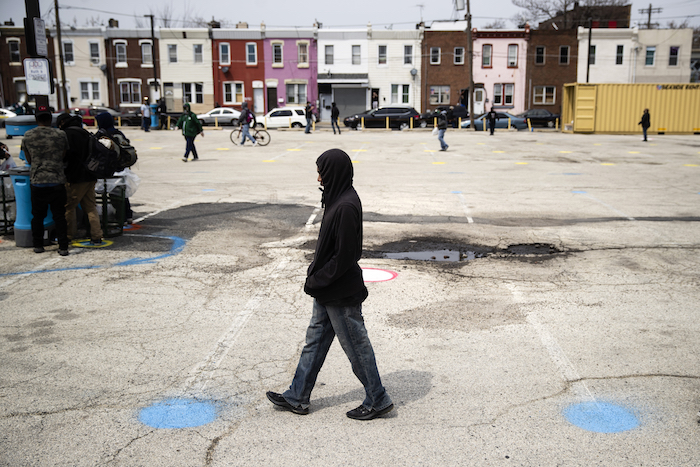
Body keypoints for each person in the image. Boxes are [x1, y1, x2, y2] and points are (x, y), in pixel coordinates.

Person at [267, 149, 394, 421]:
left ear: (333, 172)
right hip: (327, 288)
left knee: (356, 346)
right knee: (314, 341)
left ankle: (378, 398)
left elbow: (347, 255)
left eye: (321, 172)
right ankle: (297, 396)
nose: (318, 178)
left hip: (340, 290)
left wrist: (318, 278)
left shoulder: (346, 205)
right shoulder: (336, 197)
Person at [21, 110, 70, 255]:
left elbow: (28, 158)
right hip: (57, 180)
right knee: (59, 215)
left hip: (37, 180)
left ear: (36, 120)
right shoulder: (60, 135)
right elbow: (63, 154)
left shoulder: (28, 135)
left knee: (37, 216)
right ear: (50, 120)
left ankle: (38, 244)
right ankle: (63, 247)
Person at [57, 113, 103, 245]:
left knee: (69, 207)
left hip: (76, 177)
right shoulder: (85, 132)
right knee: (90, 207)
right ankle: (96, 235)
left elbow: (65, 156)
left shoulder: (66, 134)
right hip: (90, 175)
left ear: (63, 123)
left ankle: (69, 235)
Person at [96, 112, 135, 223]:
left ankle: (119, 217)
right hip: (122, 170)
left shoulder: (102, 134)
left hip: (109, 170)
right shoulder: (118, 133)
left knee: (113, 196)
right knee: (121, 195)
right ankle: (127, 215)